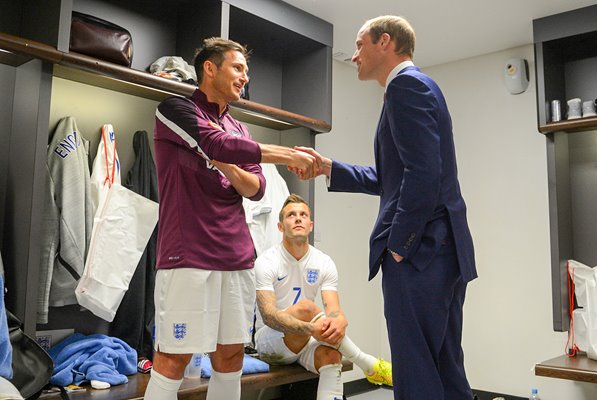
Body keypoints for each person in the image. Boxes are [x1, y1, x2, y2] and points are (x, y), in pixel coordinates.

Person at [294, 16, 477, 400]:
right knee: (443, 365)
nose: (355, 55)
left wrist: (399, 244)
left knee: (415, 369)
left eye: (360, 45)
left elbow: (424, 173)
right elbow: (395, 176)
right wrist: (330, 168)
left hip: (420, 253)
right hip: (441, 251)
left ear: (385, 42)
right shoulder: (420, 86)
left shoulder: (405, 87)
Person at [144, 37, 318, 400]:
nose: (244, 77)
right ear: (210, 68)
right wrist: (287, 154)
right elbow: (218, 144)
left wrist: (221, 159)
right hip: (187, 256)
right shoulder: (174, 110)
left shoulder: (240, 128)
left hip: (237, 258)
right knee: (173, 358)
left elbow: (254, 187)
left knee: (230, 355)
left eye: (246, 71)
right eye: (238, 68)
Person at [254, 194, 392, 400]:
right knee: (307, 308)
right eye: (291, 215)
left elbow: (334, 311)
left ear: (311, 225)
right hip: (271, 341)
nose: (298, 218)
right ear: (280, 226)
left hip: (306, 338)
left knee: (332, 356)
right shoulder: (267, 261)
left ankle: (364, 369)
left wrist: (339, 322)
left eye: (303, 215)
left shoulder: (323, 262)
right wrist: (311, 328)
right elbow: (269, 316)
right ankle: (367, 363)